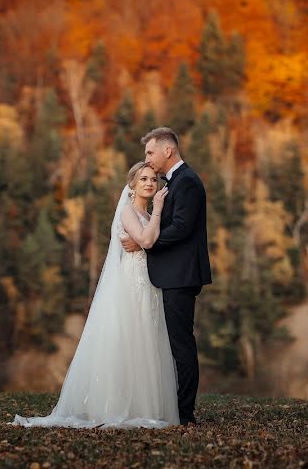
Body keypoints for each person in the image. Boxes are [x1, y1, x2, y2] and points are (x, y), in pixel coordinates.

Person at [11, 162, 179, 429]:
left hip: (149, 285)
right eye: (144, 179)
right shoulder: (128, 212)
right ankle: (115, 405)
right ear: (132, 186)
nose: (150, 184)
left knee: (146, 341)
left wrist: (153, 223)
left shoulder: (146, 217)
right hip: (129, 286)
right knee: (127, 340)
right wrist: (158, 210)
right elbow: (147, 242)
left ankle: (144, 405)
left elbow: (152, 242)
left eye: (154, 180)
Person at [121, 127, 212, 426]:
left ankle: (185, 414)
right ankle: (173, 408)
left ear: (167, 151)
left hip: (180, 276)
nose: (147, 158)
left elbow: (182, 228)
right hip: (171, 275)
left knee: (181, 346)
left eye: (150, 152)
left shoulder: (187, 183)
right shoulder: (175, 182)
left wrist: (145, 243)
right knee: (171, 344)